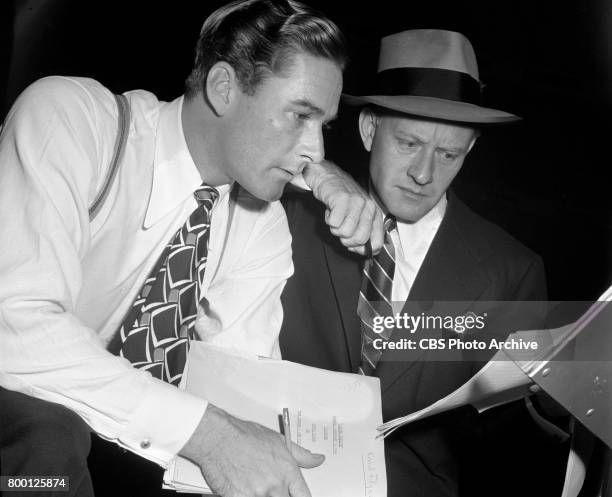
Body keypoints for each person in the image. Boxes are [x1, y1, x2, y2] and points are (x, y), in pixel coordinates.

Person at [0, 1, 383, 497]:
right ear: (224, 88)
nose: (317, 151)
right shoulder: (72, 119)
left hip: (116, 451)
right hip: (27, 438)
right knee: (47, 438)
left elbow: (238, 383)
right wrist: (210, 435)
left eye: (323, 125)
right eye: (299, 115)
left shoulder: (261, 224)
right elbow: (14, 329)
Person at [281, 29, 567, 496]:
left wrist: (556, 408)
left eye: (449, 154)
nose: (423, 174)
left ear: (470, 149)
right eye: (410, 143)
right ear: (369, 128)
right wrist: (319, 172)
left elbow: (512, 443)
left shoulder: (511, 273)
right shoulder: (293, 213)